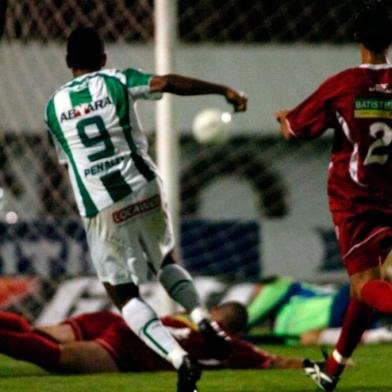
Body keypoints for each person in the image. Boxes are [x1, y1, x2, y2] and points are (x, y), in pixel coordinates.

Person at [44, 26, 247, 392]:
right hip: (146, 187)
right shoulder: (118, 81)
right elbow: (166, 82)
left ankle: (179, 358)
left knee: (125, 296)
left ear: (67, 62)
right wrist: (222, 90)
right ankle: (202, 318)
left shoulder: (53, 108)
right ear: (103, 59)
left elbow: (66, 163)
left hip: (102, 205)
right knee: (165, 261)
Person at [276, 2, 392, 390]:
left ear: (356, 37)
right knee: (369, 283)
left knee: (364, 286)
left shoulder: (345, 85)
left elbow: (296, 129)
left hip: (356, 202)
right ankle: (333, 370)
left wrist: (284, 118)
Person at [0, 303, 303, 374]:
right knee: (59, 358)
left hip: (117, 319)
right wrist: (308, 364)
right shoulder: (228, 343)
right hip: (134, 345)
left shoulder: (186, 313)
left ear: (215, 309)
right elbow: (271, 361)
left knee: (36, 333)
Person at [246, 276, 392, 346]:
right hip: (337, 321)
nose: (254, 296)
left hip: (336, 307)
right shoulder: (279, 323)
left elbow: (247, 317)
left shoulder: (277, 287)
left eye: (255, 292)